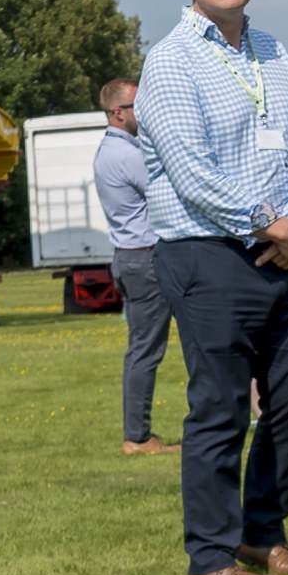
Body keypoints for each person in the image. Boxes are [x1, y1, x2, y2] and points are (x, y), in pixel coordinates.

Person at [136, 0, 288, 575]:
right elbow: (193, 173)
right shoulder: (171, 61)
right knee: (219, 406)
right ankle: (210, 559)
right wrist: (269, 225)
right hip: (208, 253)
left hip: (286, 249)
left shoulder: (273, 50)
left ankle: (262, 532)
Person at [92, 76, 175, 455]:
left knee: (141, 348)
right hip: (145, 258)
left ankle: (137, 433)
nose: (143, 112)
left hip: (130, 258)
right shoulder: (127, 155)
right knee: (145, 350)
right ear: (117, 112)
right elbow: (168, 188)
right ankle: (137, 436)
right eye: (136, 106)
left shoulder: (112, 150)